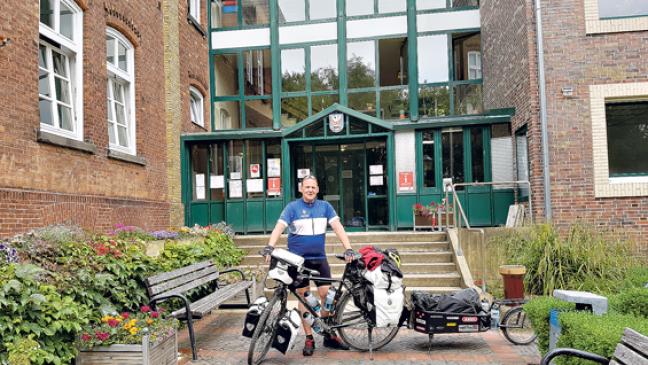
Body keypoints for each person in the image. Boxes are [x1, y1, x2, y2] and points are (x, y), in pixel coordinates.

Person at [262, 175, 354, 356]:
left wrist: (348, 248)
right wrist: (270, 246)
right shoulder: (292, 208)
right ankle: (309, 338)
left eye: (313, 187)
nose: (310, 190)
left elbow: (338, 227)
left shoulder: (325, 207)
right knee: (304, 297)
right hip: (298, 262)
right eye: (307, 187)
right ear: (301, 189)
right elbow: (278, 228)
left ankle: (327, 332)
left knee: (326, 294)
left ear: (318, 189)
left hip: (319, 259)